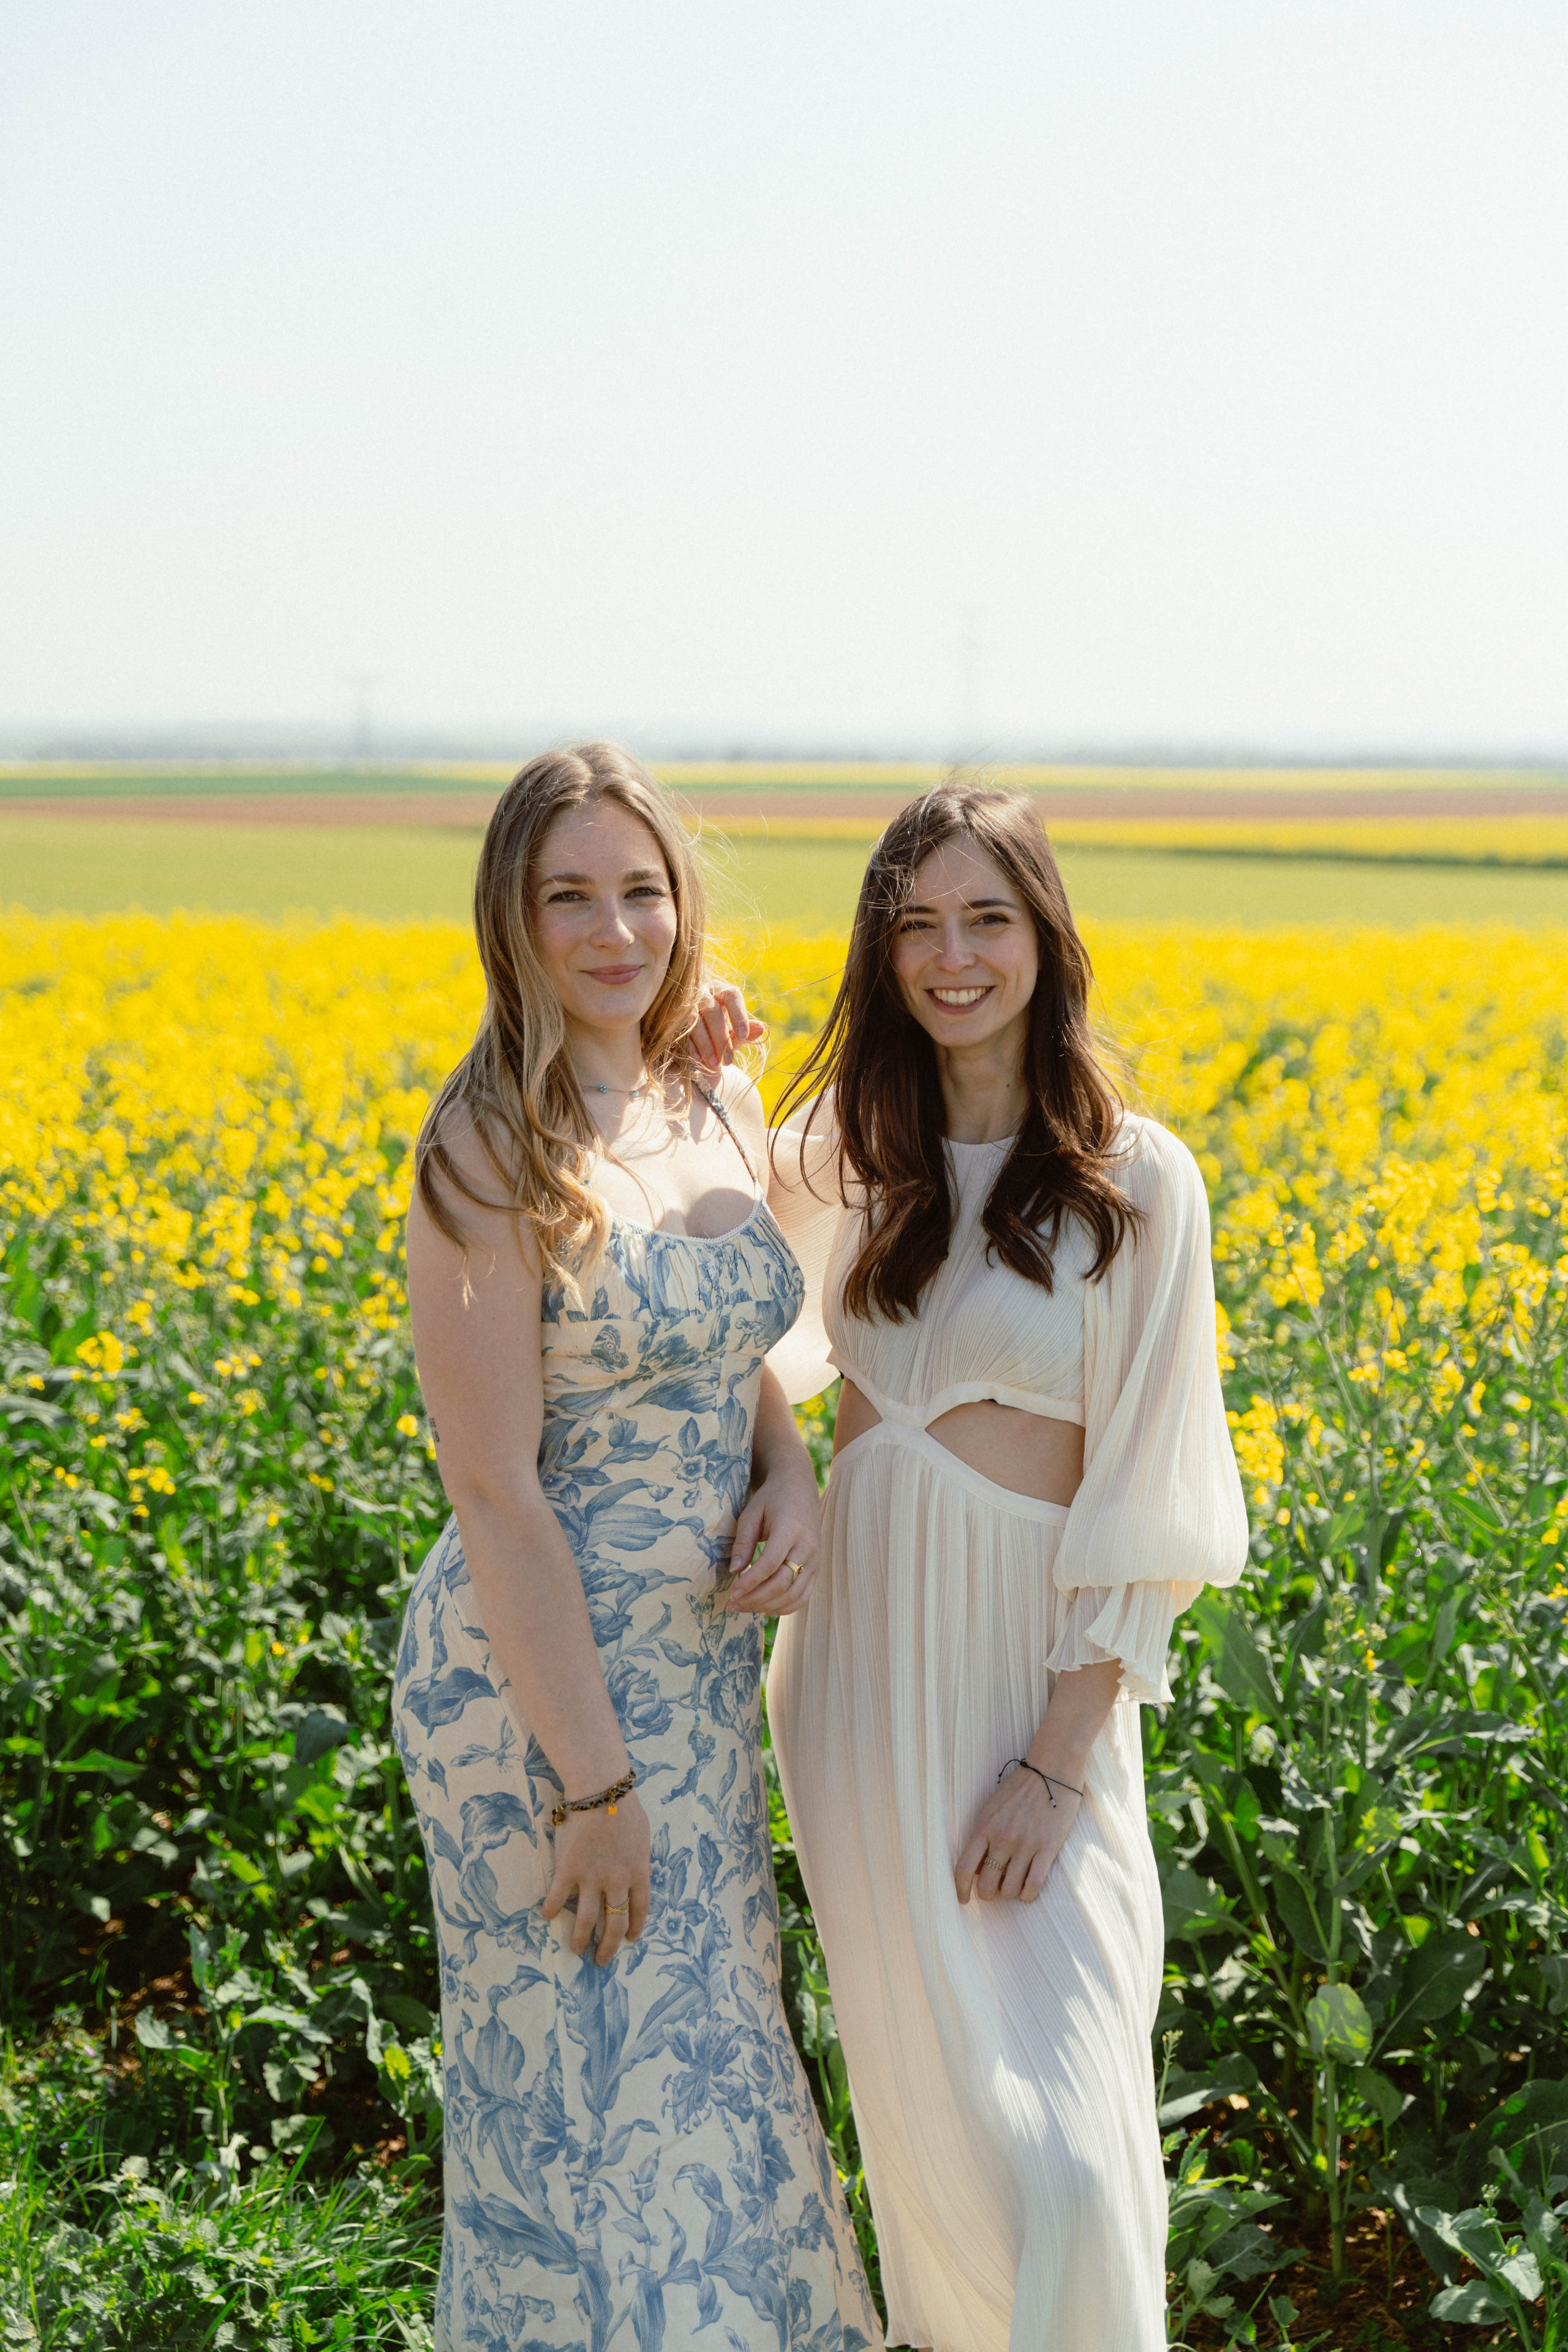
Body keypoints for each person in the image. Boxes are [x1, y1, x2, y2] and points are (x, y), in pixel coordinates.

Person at [391, 742, 882, 2352]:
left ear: (683, 904)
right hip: (543, 1692)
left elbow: (736, 1354)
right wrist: (594, 1788)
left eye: (643, 891)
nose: (616, 932)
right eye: (570, 898)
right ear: (511, 921)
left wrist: (789, 1478)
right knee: (586, 2101)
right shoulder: (483, 1147)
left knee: (713, 2062)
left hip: (695, 1674)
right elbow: (495, 1491)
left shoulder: (711, 1091)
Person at [764, 783, 1250, 2352]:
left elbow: (1152, 1499)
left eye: (986, 918)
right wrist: (697, 1068)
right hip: (852, 1682)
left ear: (1046, 935)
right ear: (880, 951)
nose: (951, 957)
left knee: (1069, 2155)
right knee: (930, 2133)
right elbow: (715, 1314)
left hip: (1029, 1691)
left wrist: (1055, 1764)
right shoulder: (844, 1154)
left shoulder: (1135, 1178)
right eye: (916, 925)